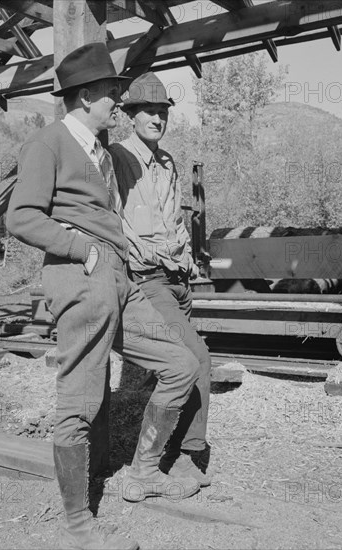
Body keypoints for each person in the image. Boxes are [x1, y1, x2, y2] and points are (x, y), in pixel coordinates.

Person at [6, 43, 202, 550]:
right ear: (87, 94)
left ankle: (143, 473)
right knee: (80, 402)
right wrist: (80, 248)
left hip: (121, 279)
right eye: (113, 93)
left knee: (181, 365)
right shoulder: (49, 142)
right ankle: (78, 528)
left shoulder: (101, 150)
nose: (119, 101)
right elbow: (22, 216)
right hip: (83, 277)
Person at [108, 72, 212, 487]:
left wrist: (187, 259)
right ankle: (182, 457)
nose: (157, 117)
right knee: (197, 357)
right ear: (130, 115)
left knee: (188, 363)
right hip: (147, 277)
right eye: (148, 111)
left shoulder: (166, 162)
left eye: (163, 111)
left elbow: (174, 220)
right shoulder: (115, 157)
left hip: (177, 276)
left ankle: (174, 451)